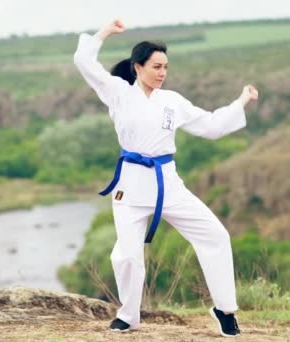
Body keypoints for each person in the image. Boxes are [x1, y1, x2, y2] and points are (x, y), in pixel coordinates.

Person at [73, 19, 259, 337]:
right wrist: (104, 32)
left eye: (166, 67)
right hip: (130, 187)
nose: (162, 73)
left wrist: (241, 101)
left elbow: (212, 126)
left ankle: (225, 309)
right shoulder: (117, 92)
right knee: (128, 255)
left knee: (215, 235)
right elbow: (84, 62)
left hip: (167, 184)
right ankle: (128, 315)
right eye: (156, 66)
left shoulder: (172, 101)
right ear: (138, 67)